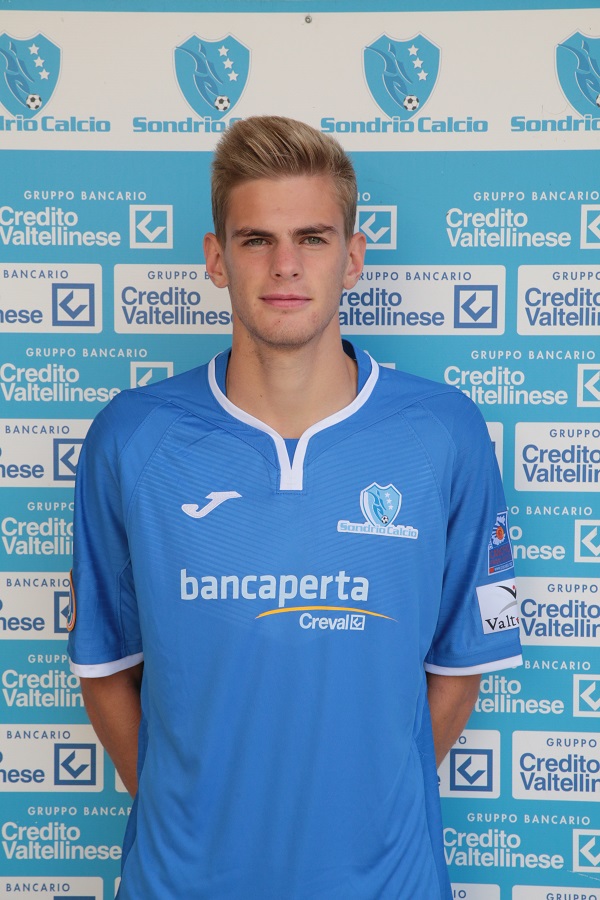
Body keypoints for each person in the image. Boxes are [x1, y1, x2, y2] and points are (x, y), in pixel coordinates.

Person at [68, 115, 522, 900]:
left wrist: (362, 823)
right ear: (216, 258)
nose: (285, 265)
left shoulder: (443, 433)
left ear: (353, 257)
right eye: (256, 240)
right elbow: (105, 669)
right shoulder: (133, 437)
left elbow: (458, 669)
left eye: (312, 238)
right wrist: (195, 821)